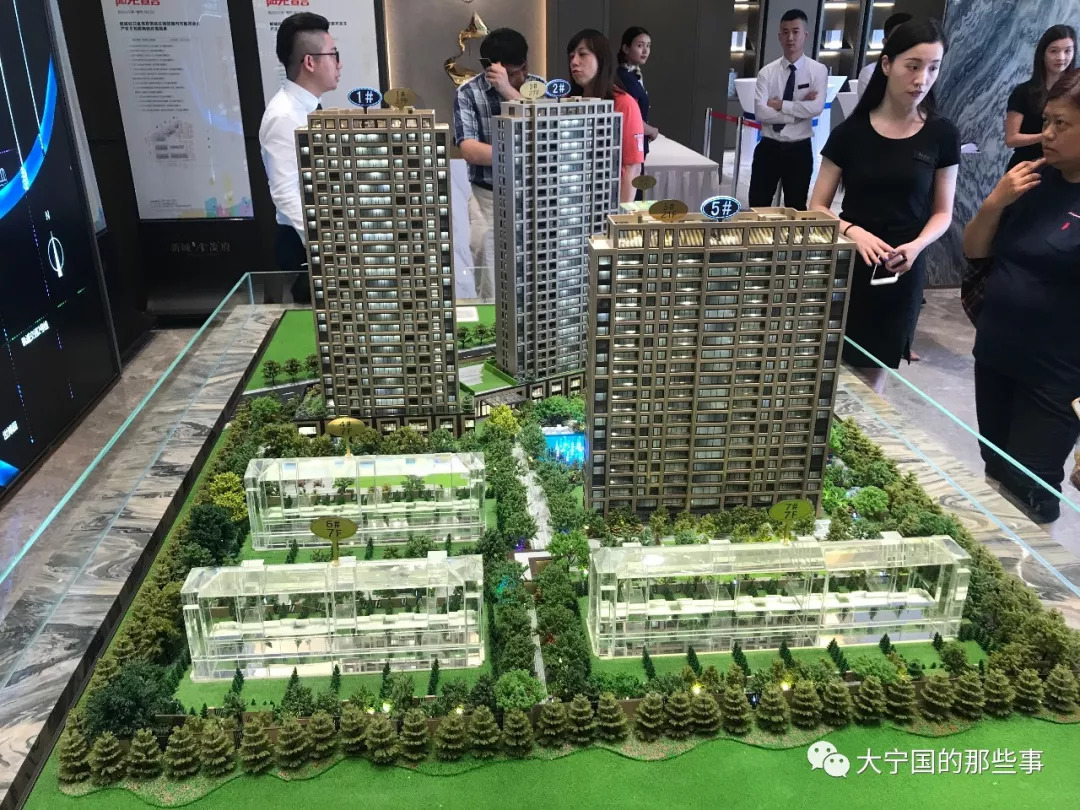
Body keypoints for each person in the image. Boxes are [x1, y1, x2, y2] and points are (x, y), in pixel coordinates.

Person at [809, 19, 959, 393]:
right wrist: (852, 232)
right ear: (887, 65)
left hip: (901, 268)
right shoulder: (851, 133)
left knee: (874, 375)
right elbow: (817, 206)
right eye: (913, 66)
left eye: (933, 68)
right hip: (849, 264)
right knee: (829, 371)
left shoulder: (942, 134)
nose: (922, 79)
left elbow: (943, 212)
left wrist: (917, 246)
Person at [963, 69, 1080, 523]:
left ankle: (1033, 565)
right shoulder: (1031, 177)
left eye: (1061, 124)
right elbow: (975, 250)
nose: (1046, 134)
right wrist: (995, 202)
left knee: (1031, 485)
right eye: (1046, 121)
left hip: (1055, 376)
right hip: (996, 355)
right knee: (996, 468)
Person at [453, 28, 543, 302]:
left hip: (535, 196)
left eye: (523, 68)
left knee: (538, 277)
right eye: (512, 73)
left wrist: (508, 90)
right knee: (490, 280)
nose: (521, 76)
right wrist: (524, 153)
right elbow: (470, 149)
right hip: (488, 198)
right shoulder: (468, 93)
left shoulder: (538, 87)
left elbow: (548, 136)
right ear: (490, 68)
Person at [258, 12, 340, 305]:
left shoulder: (308, 108)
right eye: (334, 54)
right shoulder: (283, 116)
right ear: (310, 62)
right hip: (304, 242)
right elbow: (285, 194)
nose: (339, 64)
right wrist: (324, 245)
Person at [749, 10, 828, 210]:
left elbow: (816, 108)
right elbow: (761, 112)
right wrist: (798, 113)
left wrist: (781, 104)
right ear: (779, 36)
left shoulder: (818, 70)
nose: (790, 37)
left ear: (805, 35)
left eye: (795, 31)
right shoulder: (767, 72)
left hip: (799, 149)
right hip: (769, 147)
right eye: (785, 32)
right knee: (758, 205)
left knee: (796, 207)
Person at [568, 29, 646, 204]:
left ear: (601, 59)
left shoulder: (624, 104)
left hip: (608, 200)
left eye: (582, 54)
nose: (574, 62)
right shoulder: (568, 102)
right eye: (571, 56)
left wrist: (621, 216)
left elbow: (632, 167)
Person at [1005, 24, 1076, 169]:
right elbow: (1011, 139)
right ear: (1043, 54)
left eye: (1068, 51)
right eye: (1054, 51)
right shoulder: (1023, 92)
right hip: (1027, 165)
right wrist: (1046, 135)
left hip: (1066, 167)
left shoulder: (1076, 93)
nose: (1061, 57)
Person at [617, 27, 660, 148]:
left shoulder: (633, 74)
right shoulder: (624, 78)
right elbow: (630, 117)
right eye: (640, 46)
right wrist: (651, 130)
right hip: (631, 144)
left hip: (637, 142)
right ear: (626, 48)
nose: (645, 51)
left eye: (648, 46)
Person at [857, 13, 913, 98]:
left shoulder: (924, 72)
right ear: (885, 43)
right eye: (898, 39)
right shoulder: (871, 73)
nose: (905, 44)